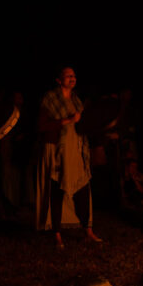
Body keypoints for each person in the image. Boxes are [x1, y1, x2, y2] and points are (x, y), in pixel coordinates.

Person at [36, 67, 102, 248]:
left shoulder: (77, 100)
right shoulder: (50, 99)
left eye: (74, 75)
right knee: (57, 188)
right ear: (59, 80)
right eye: (68, 75)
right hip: (59, 150)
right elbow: (42, 125)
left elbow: (83, 125)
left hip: (77, 148)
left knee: (83, 187)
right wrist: (65, 121)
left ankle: (87, 230)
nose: (72, 78)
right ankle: (56, 233)